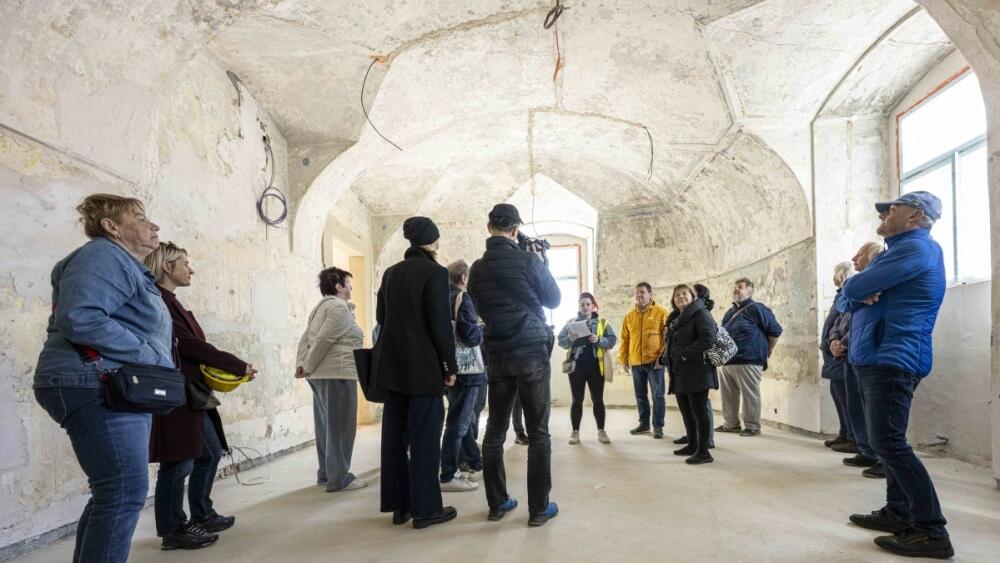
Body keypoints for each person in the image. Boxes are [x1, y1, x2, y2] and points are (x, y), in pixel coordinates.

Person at [33, 194, 173, 562]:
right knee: (123, 491)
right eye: (139, 217)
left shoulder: (120, 262)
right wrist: (151, 356)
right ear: (111, 226)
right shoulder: (103, 255)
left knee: (113, 491)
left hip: (105, 381)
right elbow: (80, 317)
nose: (153, 225)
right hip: (96, 381)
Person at [841, 191, 953, 559]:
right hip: (876, 356)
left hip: (893, 357)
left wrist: (859, 289)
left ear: (915, 215)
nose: (885, 214)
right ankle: (898, 511)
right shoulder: (896, 252)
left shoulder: (917, 248)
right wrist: (858, 291)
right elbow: (848, 297)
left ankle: (932, 532)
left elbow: (853, 286)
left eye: (892, 209)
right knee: (885, 442)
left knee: (888, 442)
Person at [145, 242, 257, 550]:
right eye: (185, 263)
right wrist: (236, 365)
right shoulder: (160, 302)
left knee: (208, 453)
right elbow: (189, 346)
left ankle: (202, 514)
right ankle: (173, 530)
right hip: (174, 391)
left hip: (191, 391)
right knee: (177, 461)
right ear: (167, 266)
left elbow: (192, 346)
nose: (190, 269)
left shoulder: (171, 302)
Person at [468, 203, 561, 527]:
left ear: (489, 227)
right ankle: (539, 509)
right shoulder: (528, 261)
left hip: (497, 352)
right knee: (538, 432)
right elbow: (553, 299)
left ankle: (497, 504)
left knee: (495, 430)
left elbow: (478, 306)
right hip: (531, 349)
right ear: (515, 229)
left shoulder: (477, 268)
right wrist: (541, 262)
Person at [374, 216, 458, 529]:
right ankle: (426, 509)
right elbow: (440, 324)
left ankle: (401, 506)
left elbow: (381, 316)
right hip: (423, 368)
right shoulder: (435, 272)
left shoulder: (391, 273)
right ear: (433, 241)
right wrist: (449, 365)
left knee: (395, 439)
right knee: (425, 439)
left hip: (393, 368)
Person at [296, 266, 366, 492]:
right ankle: (339, 477)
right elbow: (323, 340)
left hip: (322, 375)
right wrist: (306, 367)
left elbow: (305, 339)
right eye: (349, 283)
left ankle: (326, 474)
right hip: (337, 374)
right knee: (341, 428)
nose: (351, 287)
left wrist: (302, 366)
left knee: (326, 427)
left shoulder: (320, 308)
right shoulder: (338, 307)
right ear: (339, 286)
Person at [830, 243, 886, 477]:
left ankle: (881, 456)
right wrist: (834, 340)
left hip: (866, 352)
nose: (854, 258)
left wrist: (844, 342)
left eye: (860, 254)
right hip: (851, 354)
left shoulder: (881, 283)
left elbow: (869, 321)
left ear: (873, 257)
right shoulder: (858, 286)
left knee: (872, 409)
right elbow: (842, 311)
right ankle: (865, 449)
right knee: (854, 404)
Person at [439, 260, 485, 492]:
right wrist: (481, 329)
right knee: (458, 423)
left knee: (461, 419)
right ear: (464, 277)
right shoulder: (462, 298)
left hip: (449, 368)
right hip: (468, 371)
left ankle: (475, 463)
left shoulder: (440, 297)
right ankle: (448, 474)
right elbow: (470, 336)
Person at [716, 278, 783, 437]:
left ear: (750, 291)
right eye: (735, 287)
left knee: (750, 394)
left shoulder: (757, 308)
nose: (736, 290)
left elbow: (775, 330)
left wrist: (768, 350)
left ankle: (752, 426)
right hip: (728, 361)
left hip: (749, 359)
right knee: (728, 395)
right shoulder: (730, 312)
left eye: (740, 287)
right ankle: (731, 423)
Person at [663, 285, 718, 465]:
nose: (680, 297)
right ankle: (692, 444)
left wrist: (685, 354)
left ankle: (703, 451)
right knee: (686, 411)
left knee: (699, 411)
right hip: (680, 372)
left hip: (697, 371)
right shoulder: (677, 318)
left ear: (693, 296)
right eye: (677, 295)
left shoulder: (701, 314)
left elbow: (709, 338)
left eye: (684, 293)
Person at [557, 292, 617, 445]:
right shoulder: (571, 323)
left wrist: (599, 340)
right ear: (579, 306)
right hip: (576, 367)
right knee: (577, 400)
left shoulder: (602, 323)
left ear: (593, 306)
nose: (585, 307)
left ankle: (601, 431)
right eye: (582, 304)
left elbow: (612, 340)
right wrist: (570, 339)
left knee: (598, 399)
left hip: (595, 367)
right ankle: (575, 431)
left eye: (588, 304)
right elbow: (561, 341)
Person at [617, 282, 669, 438]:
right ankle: (644, 424)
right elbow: (625, 340)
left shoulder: (661, 312)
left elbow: (667, 338)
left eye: (642, 292)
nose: (639, 295)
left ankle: (658, 426)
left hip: (655, 362)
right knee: (640, 396)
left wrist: (662, 358)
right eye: (637, 293)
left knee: (658, 396)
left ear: (650, 294)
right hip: (636, 363)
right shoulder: (629, 316)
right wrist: (624, 359)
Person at [820, 262, 854, 451]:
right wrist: (831, 340)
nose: (833, 277)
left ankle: (853, 437)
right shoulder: (840, 295)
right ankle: (844, 433)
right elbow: (836, 323)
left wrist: (840, 342)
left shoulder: (849, 293)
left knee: (846, 396)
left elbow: (849, 322)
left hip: (842, 353)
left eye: (835, 273)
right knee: (837, 393)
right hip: (832, 352)